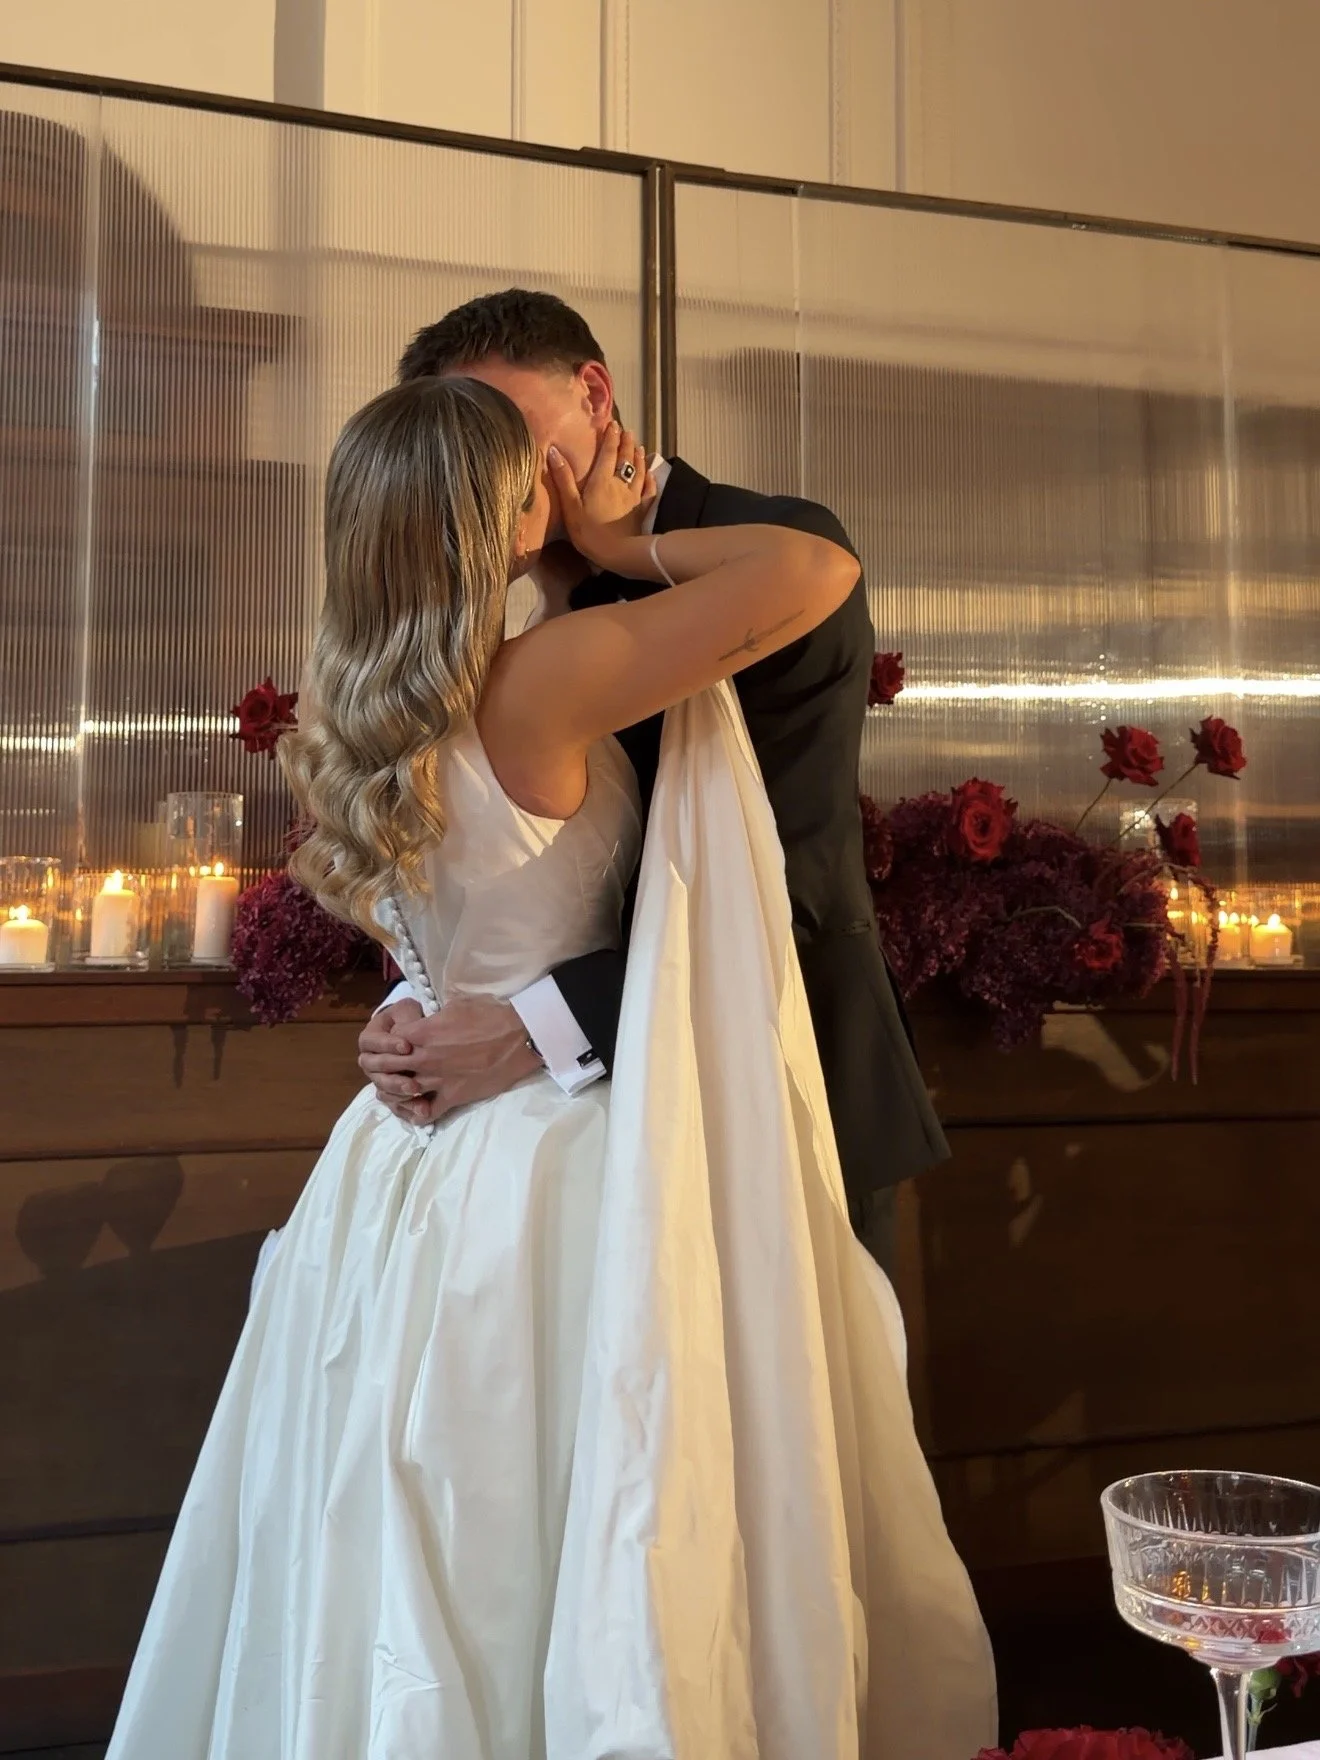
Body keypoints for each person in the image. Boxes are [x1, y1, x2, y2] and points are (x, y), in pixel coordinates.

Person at [106, 374, 994, 1758]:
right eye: (540, 479)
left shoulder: (340, 723)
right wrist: (627, 543)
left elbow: (439, 924)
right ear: (504, 519)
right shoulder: (545, 680)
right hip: (555, 1161)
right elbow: (811, 568)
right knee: (581, 1512)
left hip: (400, 1169)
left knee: (413, 1516)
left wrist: (411, 1005)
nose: (564, 489)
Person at [357, 290, 949, 1269]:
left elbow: (782, 880)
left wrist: (536, 1027)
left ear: (594, 392)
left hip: (772, 1070)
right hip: (550, 1137)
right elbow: (473, 836)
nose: (484, 466)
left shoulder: (770, 540)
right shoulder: (484, 582)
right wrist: (417, 1000)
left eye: (502, 429)